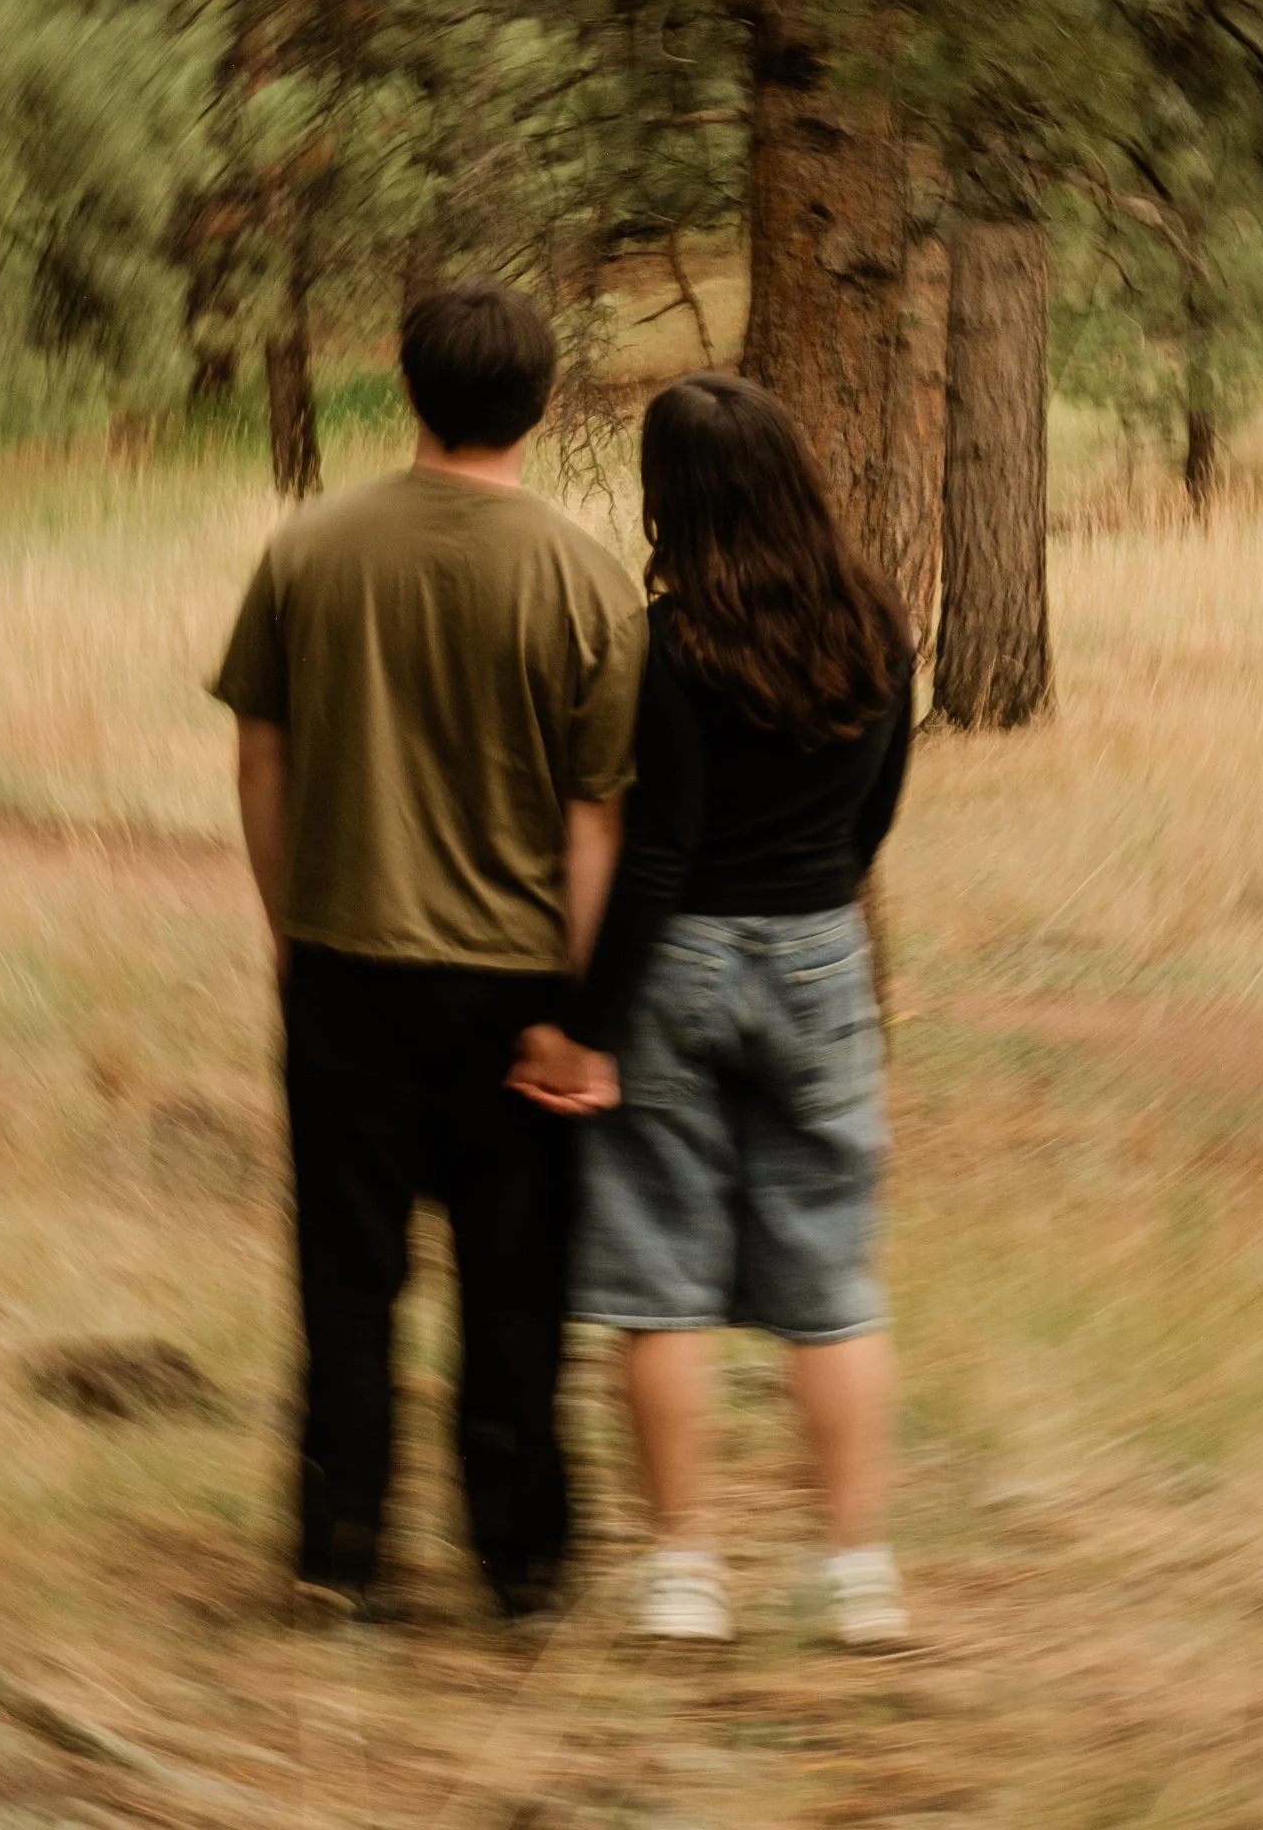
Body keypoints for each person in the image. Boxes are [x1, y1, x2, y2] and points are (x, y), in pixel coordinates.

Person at [215, 281, 645, 1624]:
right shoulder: (584, 577)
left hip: (345, 963)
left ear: (405, 388)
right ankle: (520, 1563)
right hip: (518, 989)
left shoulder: (307, 551)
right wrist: (580, 1007)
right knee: (518, 1288)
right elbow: (596, 823)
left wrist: (290, 928)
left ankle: (338, 1549)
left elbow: (263, 759)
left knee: (345, 1278)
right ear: (545, 401)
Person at [514, 371, 914, 1650]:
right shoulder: (876, 625)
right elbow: (872, 816)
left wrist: (588, 1021)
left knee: (656, 1281)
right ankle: (855, 1571)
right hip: (818, 951)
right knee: (831, 1279)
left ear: (668, 498)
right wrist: (816, 915)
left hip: (677, 963)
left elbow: (658, 853)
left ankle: (685, 1571)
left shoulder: (669, 645)